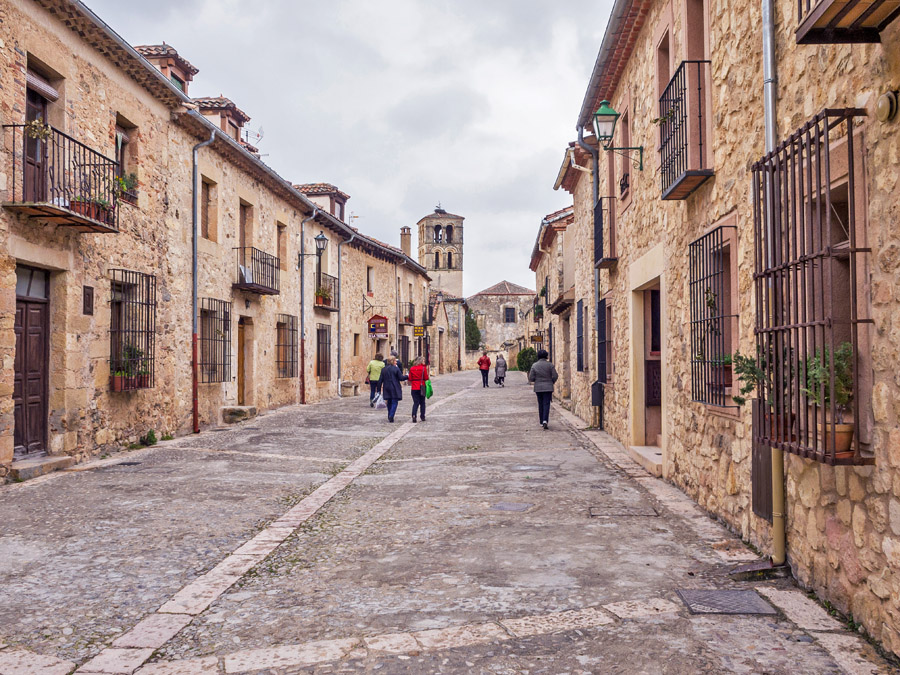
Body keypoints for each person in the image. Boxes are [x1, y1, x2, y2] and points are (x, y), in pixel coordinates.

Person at [528, 349, 558, 430]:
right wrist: (551, 381)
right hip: (548, 387)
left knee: (540, 404)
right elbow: (555, 375)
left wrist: (536, 380)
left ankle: (541, 421)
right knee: (546, 404)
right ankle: (545, 420)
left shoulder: (534, 365)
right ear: (546, 356)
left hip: (538, 388)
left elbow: (531, 378)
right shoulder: (550, 365)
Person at [380, 355, 408, 423]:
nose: (396, 362)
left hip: (386, 387)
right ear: (392, 361)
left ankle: (389, 414)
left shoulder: (384, 369)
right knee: (394, 402)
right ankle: (391, 415)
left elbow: (380, 380)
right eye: (395, 361)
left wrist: (378, 389)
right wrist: (407, 376)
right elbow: (401, 378)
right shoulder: (396, 369)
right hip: (394, 387)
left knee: (389, 401)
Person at [407, 355, 429, 423]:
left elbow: (410, 378)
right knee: (422, 402)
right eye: (423, 360)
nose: (424, 362)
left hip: (414, 387)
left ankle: (414, 415)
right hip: (422, 386)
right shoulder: (423, 368)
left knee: (415, 402)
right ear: (420, 361)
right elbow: (426, 378)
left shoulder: (412, 368)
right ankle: (422, 416)